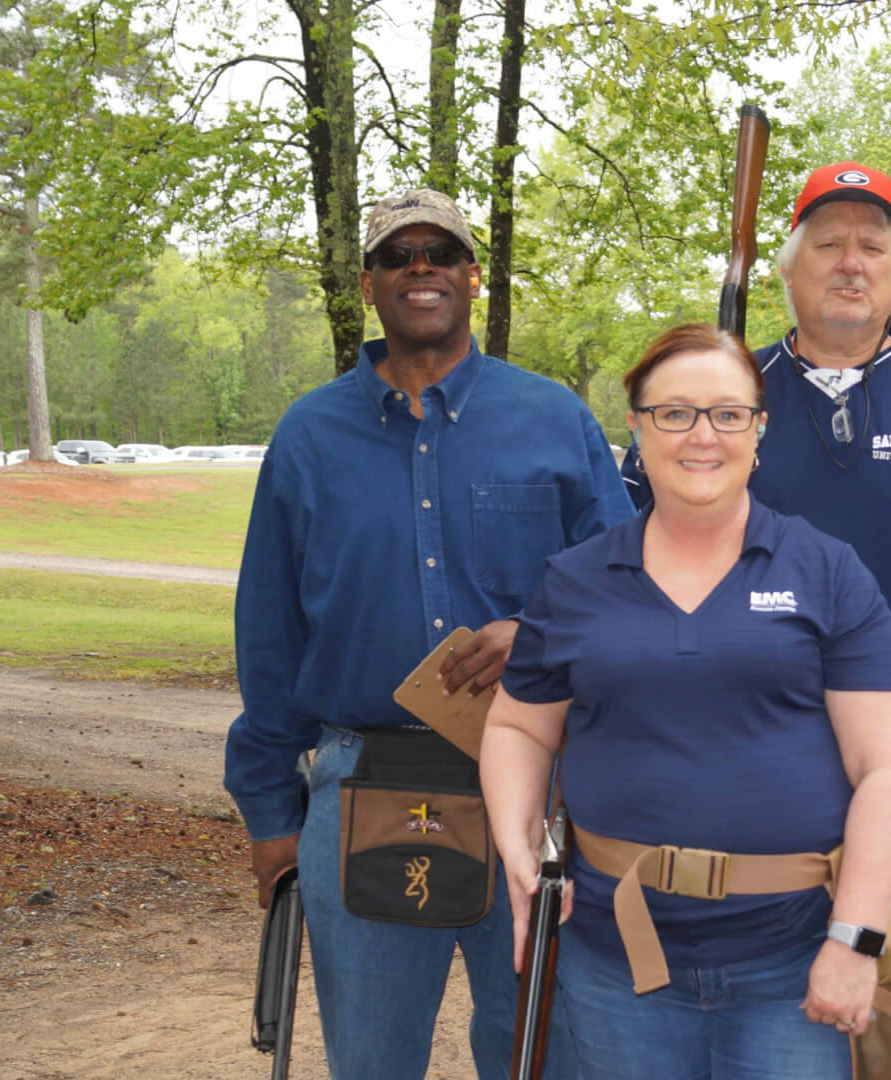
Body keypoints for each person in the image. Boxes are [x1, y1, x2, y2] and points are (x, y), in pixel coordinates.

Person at [224, 188, 633, 1080]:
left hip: (536, 787)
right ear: (368, 283)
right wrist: (268, 807)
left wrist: (537, 632)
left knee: (536, 1054)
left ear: (472, 278)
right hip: (362, 783)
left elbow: (626, 587)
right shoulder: (308, 435)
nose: (421, 268)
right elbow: (269, 633)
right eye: (399, 254)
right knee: (371, 1061)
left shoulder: (554, 420)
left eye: (441, 252)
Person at [484, 324, 891, 1079]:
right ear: (637, 425)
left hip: (792, 965)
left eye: (727, 414)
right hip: (616, 966)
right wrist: (517, 845)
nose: (702, 436)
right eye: (675, 412)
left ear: (759, 429)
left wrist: (854, 942)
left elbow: (888, 762)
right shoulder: (576, 580)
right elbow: (519, 725)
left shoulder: (828, 572)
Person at [622, 162, 891, 970]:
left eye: (872, 246)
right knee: (751, 1012)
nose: (851, 263)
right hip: (733, 767)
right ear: (786, 268)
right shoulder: (717, 402)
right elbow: (622, 561)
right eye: (827, 244)